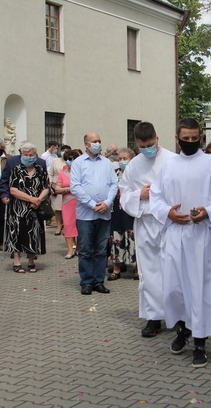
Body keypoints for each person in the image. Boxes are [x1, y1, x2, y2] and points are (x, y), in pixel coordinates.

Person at [149, 118, 211, 368]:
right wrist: (169, 213)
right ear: (177, 139)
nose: (190, 142)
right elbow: (156, 197)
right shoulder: (169, 166)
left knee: (200, 290)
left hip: (201, 237)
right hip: (177, 234)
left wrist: (208, 212)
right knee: (174, 289)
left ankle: (200, 342)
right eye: (185, 138)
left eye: (194, 138)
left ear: (201, 137)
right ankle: (182, 329)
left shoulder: (210, 163)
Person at [120, 122, 177, 338]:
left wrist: (161, 195)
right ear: (136, 144)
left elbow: (184, 189)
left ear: (157, 137)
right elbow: (124, 194)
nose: (148, 149)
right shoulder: (133, 165)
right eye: (143, 146)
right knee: (150, 272)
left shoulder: (173, 161)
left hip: (169, 222)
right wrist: (139, 195)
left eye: (151, 144)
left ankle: (179, 316)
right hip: (145, 222)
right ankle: (153, 318)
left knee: (173, 269)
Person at [70, 132, 119, 295]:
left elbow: (114, 184)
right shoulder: (78, 163)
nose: (97, 144)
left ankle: (99, 281)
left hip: (104, 213)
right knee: (85, 249)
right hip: (85, 214)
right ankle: (86, 281)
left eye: (99, 141)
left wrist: (106, 203)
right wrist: (92, 205)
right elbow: (75, 187)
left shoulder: (106, 163)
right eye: (94, 141)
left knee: (101, 249)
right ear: (86, 144)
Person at [5, 142, 49, 273]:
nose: (29, 157)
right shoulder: (16, 169)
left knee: (33, 233)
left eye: (31, 155)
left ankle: (31, 261)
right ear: (22, 155)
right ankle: (17, 261)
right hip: (19, 207)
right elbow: (13, 190)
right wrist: (31, 199)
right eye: (26, 154)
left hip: (35, 207)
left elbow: (46, 187)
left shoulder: (40, 169)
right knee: (17, 233)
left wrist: (39, 199)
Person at [107, 147, 137, 281]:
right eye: (120, 159)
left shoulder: (136, 173)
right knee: (116, 238)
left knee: (133, 239)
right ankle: (116, 268)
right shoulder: (115, 172)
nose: (122, 161)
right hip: (117, 210)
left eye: (125, 158)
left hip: (131, 211)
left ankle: (137, 269)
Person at [54, 149, 80, 259]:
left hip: (80, 203)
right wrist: (68, 189)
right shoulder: (62, 173)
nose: (70, 161)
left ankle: (78, 248)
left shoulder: (81, 173)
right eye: (68, 159)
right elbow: (57, 188)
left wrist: (66, 189)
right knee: (68, 225)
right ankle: (70, 250)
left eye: (72, 159)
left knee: (79, 227)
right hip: (67, 203)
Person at [47, 146, 68, 236]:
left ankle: (66, 227)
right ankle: (58, 226)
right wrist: (51, 184)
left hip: (67, 187)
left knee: (66, 209)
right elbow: (50, 173)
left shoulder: (71, 161)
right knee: (58, 209)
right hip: (57, 187)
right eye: (63, 151)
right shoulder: (55, 161)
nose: (64, 153)